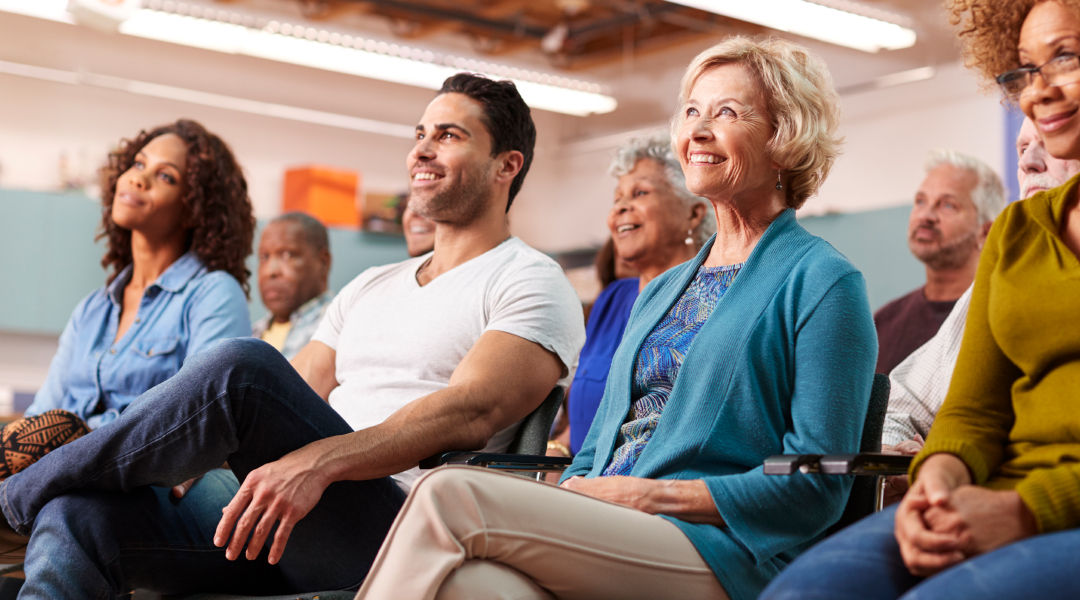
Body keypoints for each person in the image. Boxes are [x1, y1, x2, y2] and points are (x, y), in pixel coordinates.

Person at [0, 73, 584, 599]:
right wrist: (203, 467)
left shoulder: (531, 279)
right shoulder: (373, 284)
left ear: (507, 165)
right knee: (77, 516)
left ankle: (9, 500)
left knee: (242, 368)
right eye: (420, 133)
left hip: (392, 528)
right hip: (276, 517)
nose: (421, 150)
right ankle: (35, 497)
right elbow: (294, 392)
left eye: (449, 135)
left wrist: (316, 465)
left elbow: (471, 410)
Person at [354, 36, 877, 600]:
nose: (697, 130)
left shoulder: (822, 281)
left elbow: (817, 484)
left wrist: (651, 497)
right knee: (469, 585)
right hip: (614, 529)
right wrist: (580, 487)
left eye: (726, 113)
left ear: (784, 138)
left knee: (449, 493)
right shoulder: (664, 289)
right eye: (692, 111)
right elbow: (595, 447)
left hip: (721, 550)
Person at [762, 0, 1080, 597]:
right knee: (804, 591)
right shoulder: (1019, 231)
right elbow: (972, 413)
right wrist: (936, 484)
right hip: (1001, 495)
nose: (1037, 91)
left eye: (1064, 58)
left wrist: (1027, 511)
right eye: (1024, 69)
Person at [5, 119, 254, 476]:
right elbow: (39, 418)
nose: (139, 179)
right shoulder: (93, 309)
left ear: (194, 208)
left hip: (131, 477)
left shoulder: (213, 294)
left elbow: (206, 420)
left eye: (165, 176)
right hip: (55, 471)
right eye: (138, 165)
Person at [879, 118, 1080, 504]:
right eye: (1022, 148)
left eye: (1051, 141)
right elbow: (905, 407)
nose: (1029, 162)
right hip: (951, 493)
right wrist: (910, 458)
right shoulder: (997, 283)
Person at [552, 131, 714, 456]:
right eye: (617, 198)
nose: (622, 208)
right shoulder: (612, 300)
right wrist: (558, 448)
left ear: (693, 214)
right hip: (580, 487)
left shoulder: (713, 303)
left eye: (640, 193)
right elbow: (590, 411)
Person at [872, 151, 1005, 373]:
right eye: (920, 201)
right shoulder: (884, 322)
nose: (926, 215)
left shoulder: (1003, 315)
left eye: (948, 205)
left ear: (985, 232)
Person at [253, 212, 332, 360]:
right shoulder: (252, 333)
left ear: (323, 262)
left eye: (287, 255)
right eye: (264, 257)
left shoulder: (336, 328)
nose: (270, 271)